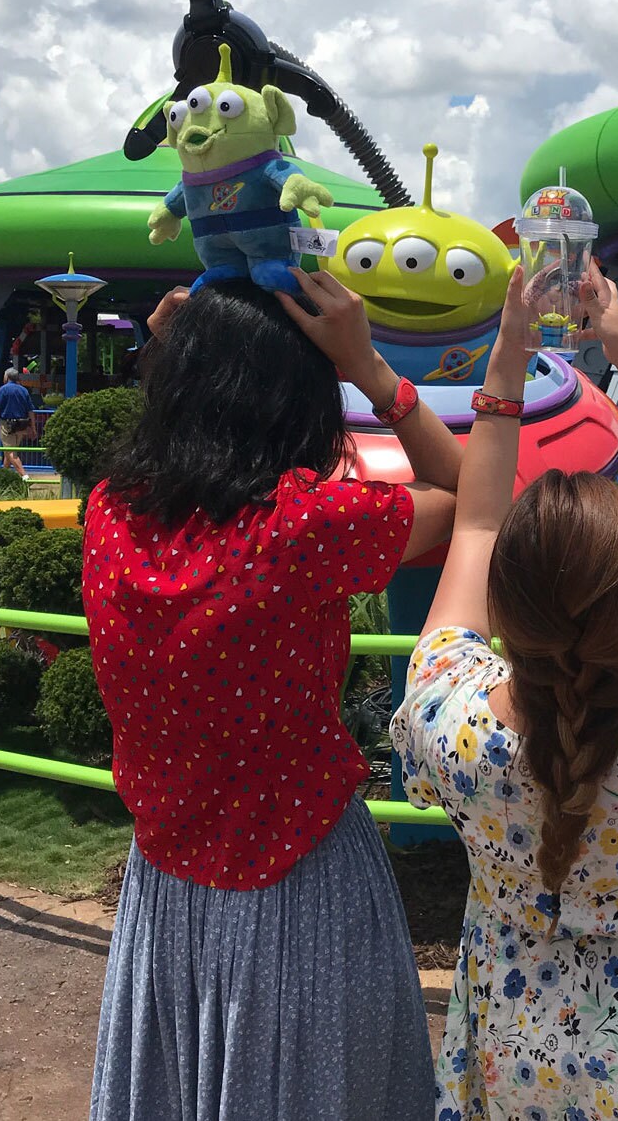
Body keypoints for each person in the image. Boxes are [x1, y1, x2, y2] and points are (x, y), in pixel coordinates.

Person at [84, 271, 463, 1121]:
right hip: (303, 890)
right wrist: (371, 368)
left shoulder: (110, 514)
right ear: (294, 395)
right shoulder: (303, 528)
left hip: (163, 895)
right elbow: (477, 500)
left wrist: (176, 348)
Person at [392, 264, 618, 1120]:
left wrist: (509, 350)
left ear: (506, 607)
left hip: (516, 1061)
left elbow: (476, 519)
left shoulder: (454, 722)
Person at [0, 366, 36, 478]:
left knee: (10, 452)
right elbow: (30, 411)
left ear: (7, 377)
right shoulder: (24, 390)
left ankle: (25, 477)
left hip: (7, 425)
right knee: (9, 452)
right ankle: (3, 476)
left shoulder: (3, 389)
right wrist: (33, 428)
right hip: (21, 425)